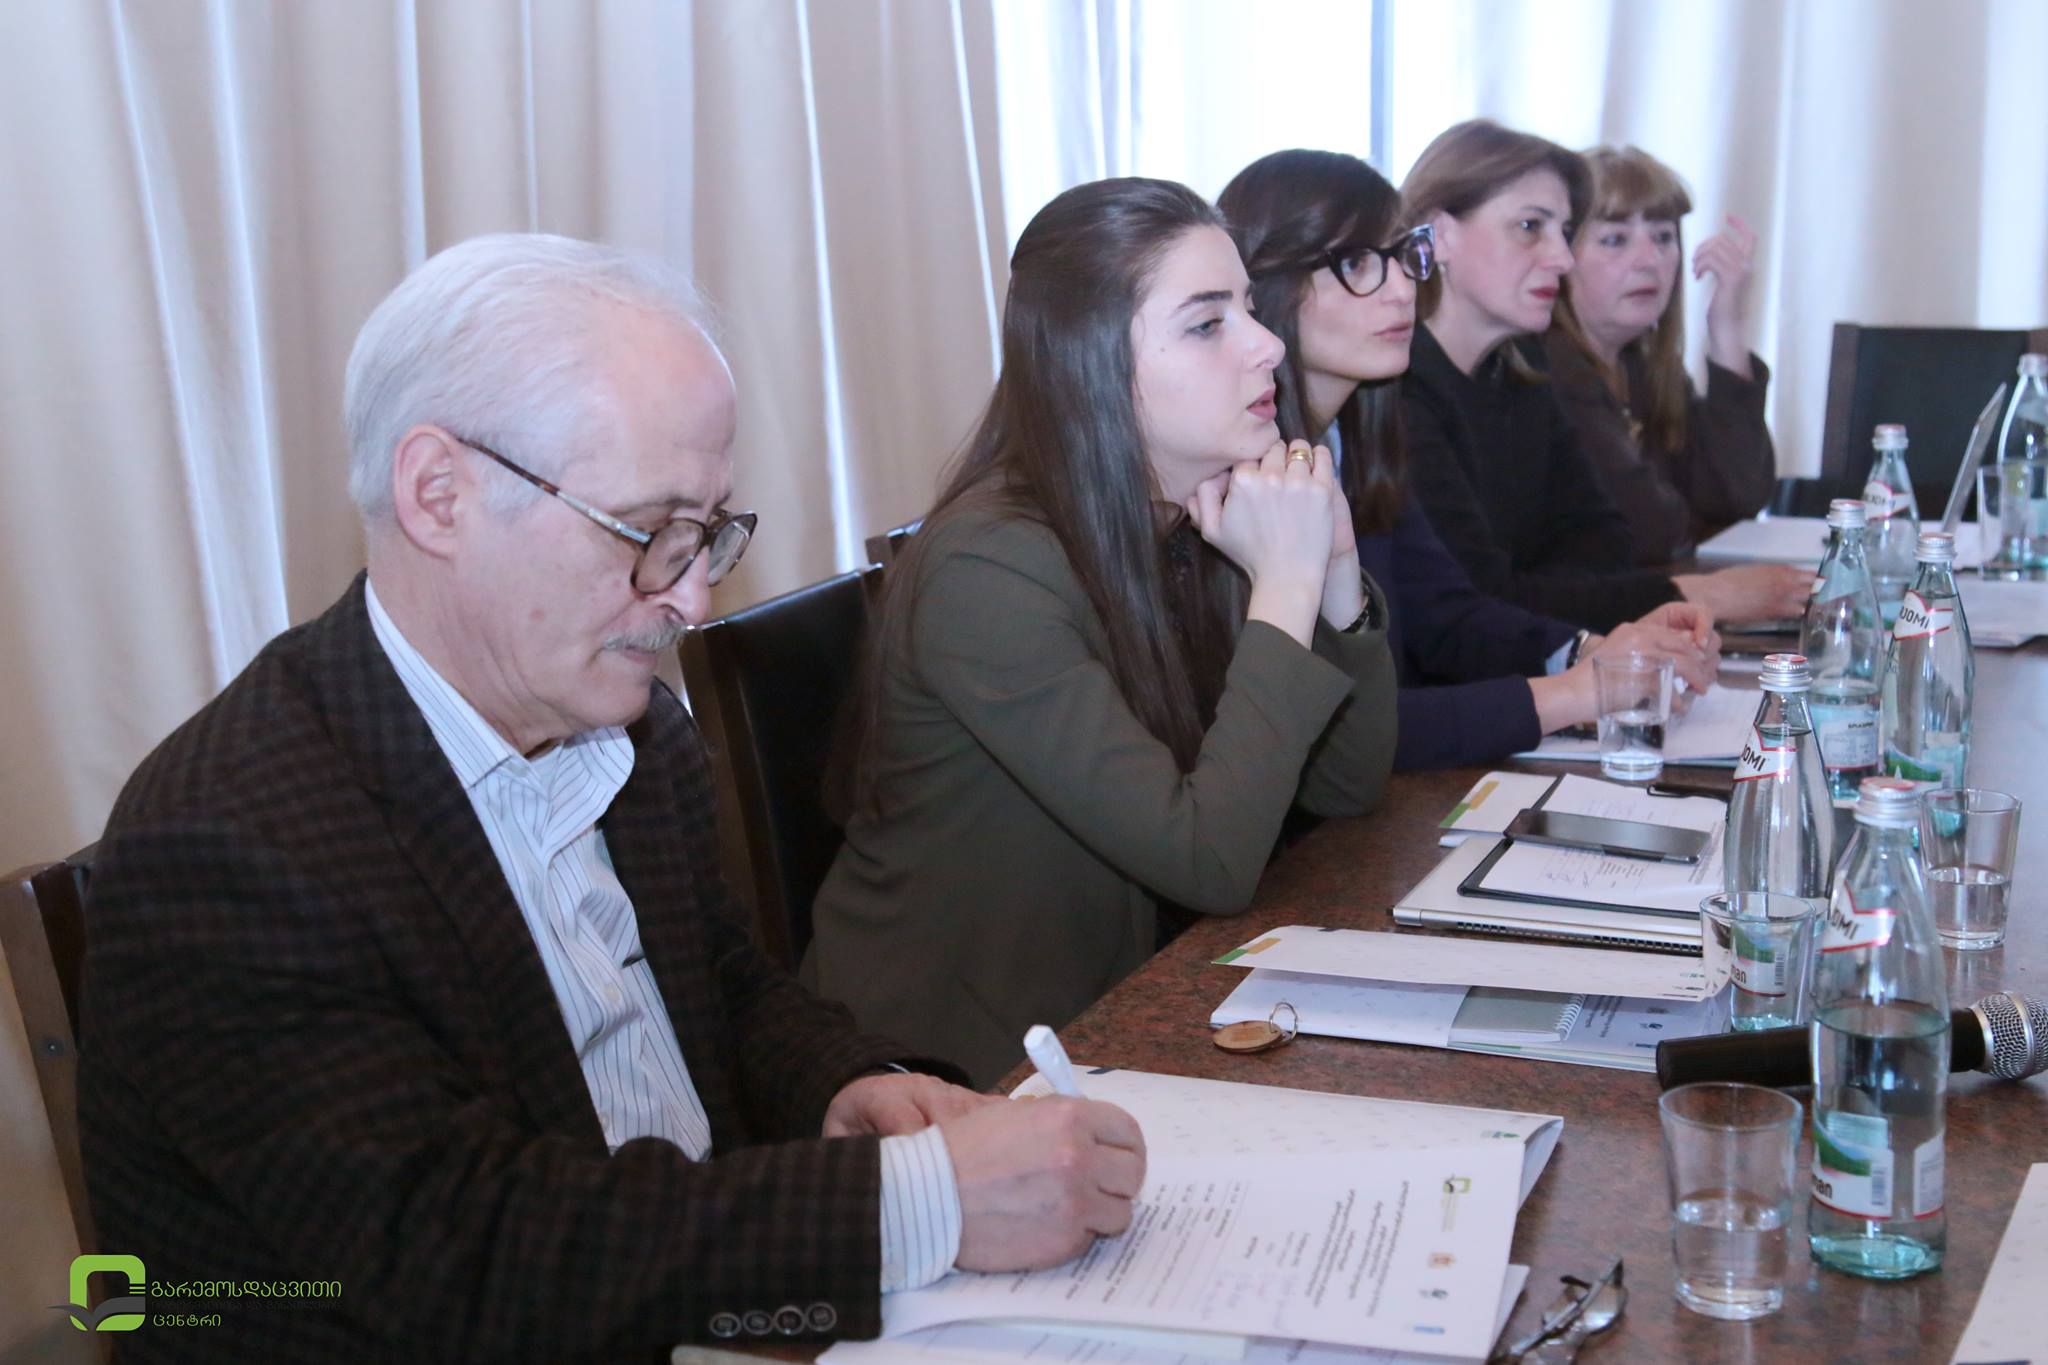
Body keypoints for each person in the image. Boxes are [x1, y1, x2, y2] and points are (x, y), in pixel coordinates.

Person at [78, 234, 1145, 1365]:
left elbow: (721, 991)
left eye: (706, 534)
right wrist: (913, 1205)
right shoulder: (228, 841)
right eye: (648, 533)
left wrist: (844, 1088)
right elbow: (465, 1257)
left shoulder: (621, 720)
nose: (689, 599)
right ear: (439, 494)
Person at [805, 178, 1396, 1086]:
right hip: (963, 1075)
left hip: (1126, 1014)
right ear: (1090, 364)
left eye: (1248, 307)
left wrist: (1335, 574)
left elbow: (1347, 789)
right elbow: (1211, 862)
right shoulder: (988, 568)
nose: (1268, 343)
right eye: (1208, 323)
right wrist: (1284, 582)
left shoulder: (1189, 520)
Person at [1217, 148, 1718, 770]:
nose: (1403, 289)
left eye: (1403, 258)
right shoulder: (1244, 474)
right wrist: (1576, 692)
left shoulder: (1359, 435)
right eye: (1357, 264)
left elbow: (1447, 615)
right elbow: (1338, 735)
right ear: (1266, 289)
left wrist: (1589, 652)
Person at [1397, 120, 1809, 631]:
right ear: (1440, 235)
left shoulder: (1521, 367)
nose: (1561, 258)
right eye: (1530, 227)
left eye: (1564, 233)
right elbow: (1479, 601)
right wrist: (1695, 594)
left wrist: (1545, 590)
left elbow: (1606, 541)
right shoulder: (1401, 389)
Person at [1546, 145, 1776, 562]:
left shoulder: (1642, 364)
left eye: (1663, 237)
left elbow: (1737, 495)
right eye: (1615, 240)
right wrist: (1687, 520)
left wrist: (1726, 330)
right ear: (1561, 258)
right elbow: (1648, 529)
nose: (1649, 260)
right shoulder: (1551, 366)